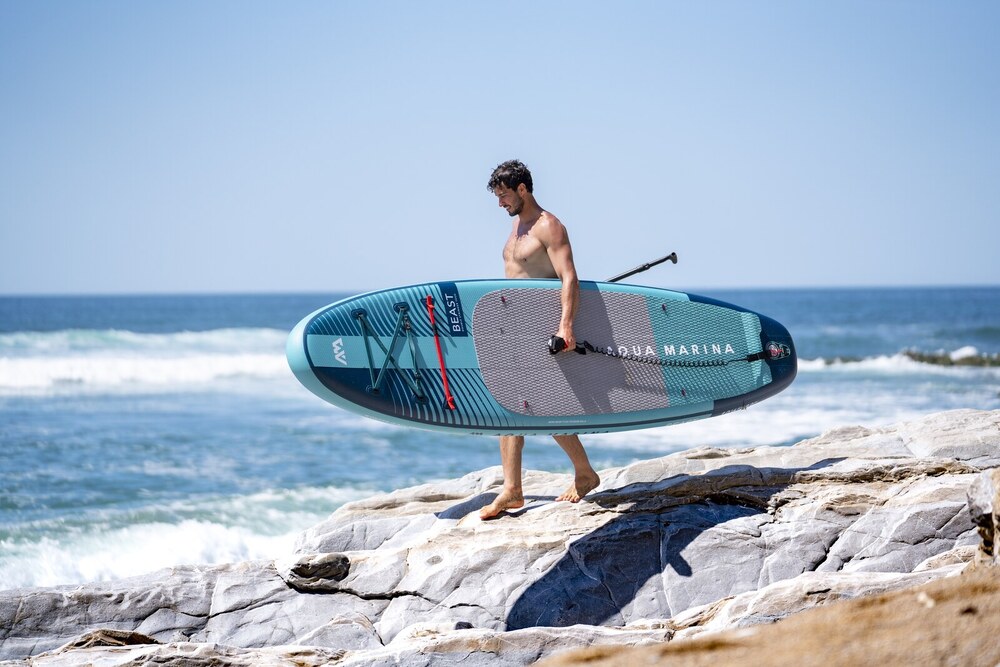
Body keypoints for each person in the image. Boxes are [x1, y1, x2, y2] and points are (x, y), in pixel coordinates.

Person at [479, 159, 601, 520]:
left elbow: (569, 277)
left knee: (535, 405)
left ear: (522, 189)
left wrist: (566, 327)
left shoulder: (549, 226)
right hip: (513, 329)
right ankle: (519, 487)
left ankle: (525, 487)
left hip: (540, 328)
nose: (500, 203)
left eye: (504, 195)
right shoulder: (516, 226)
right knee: (513, 404)